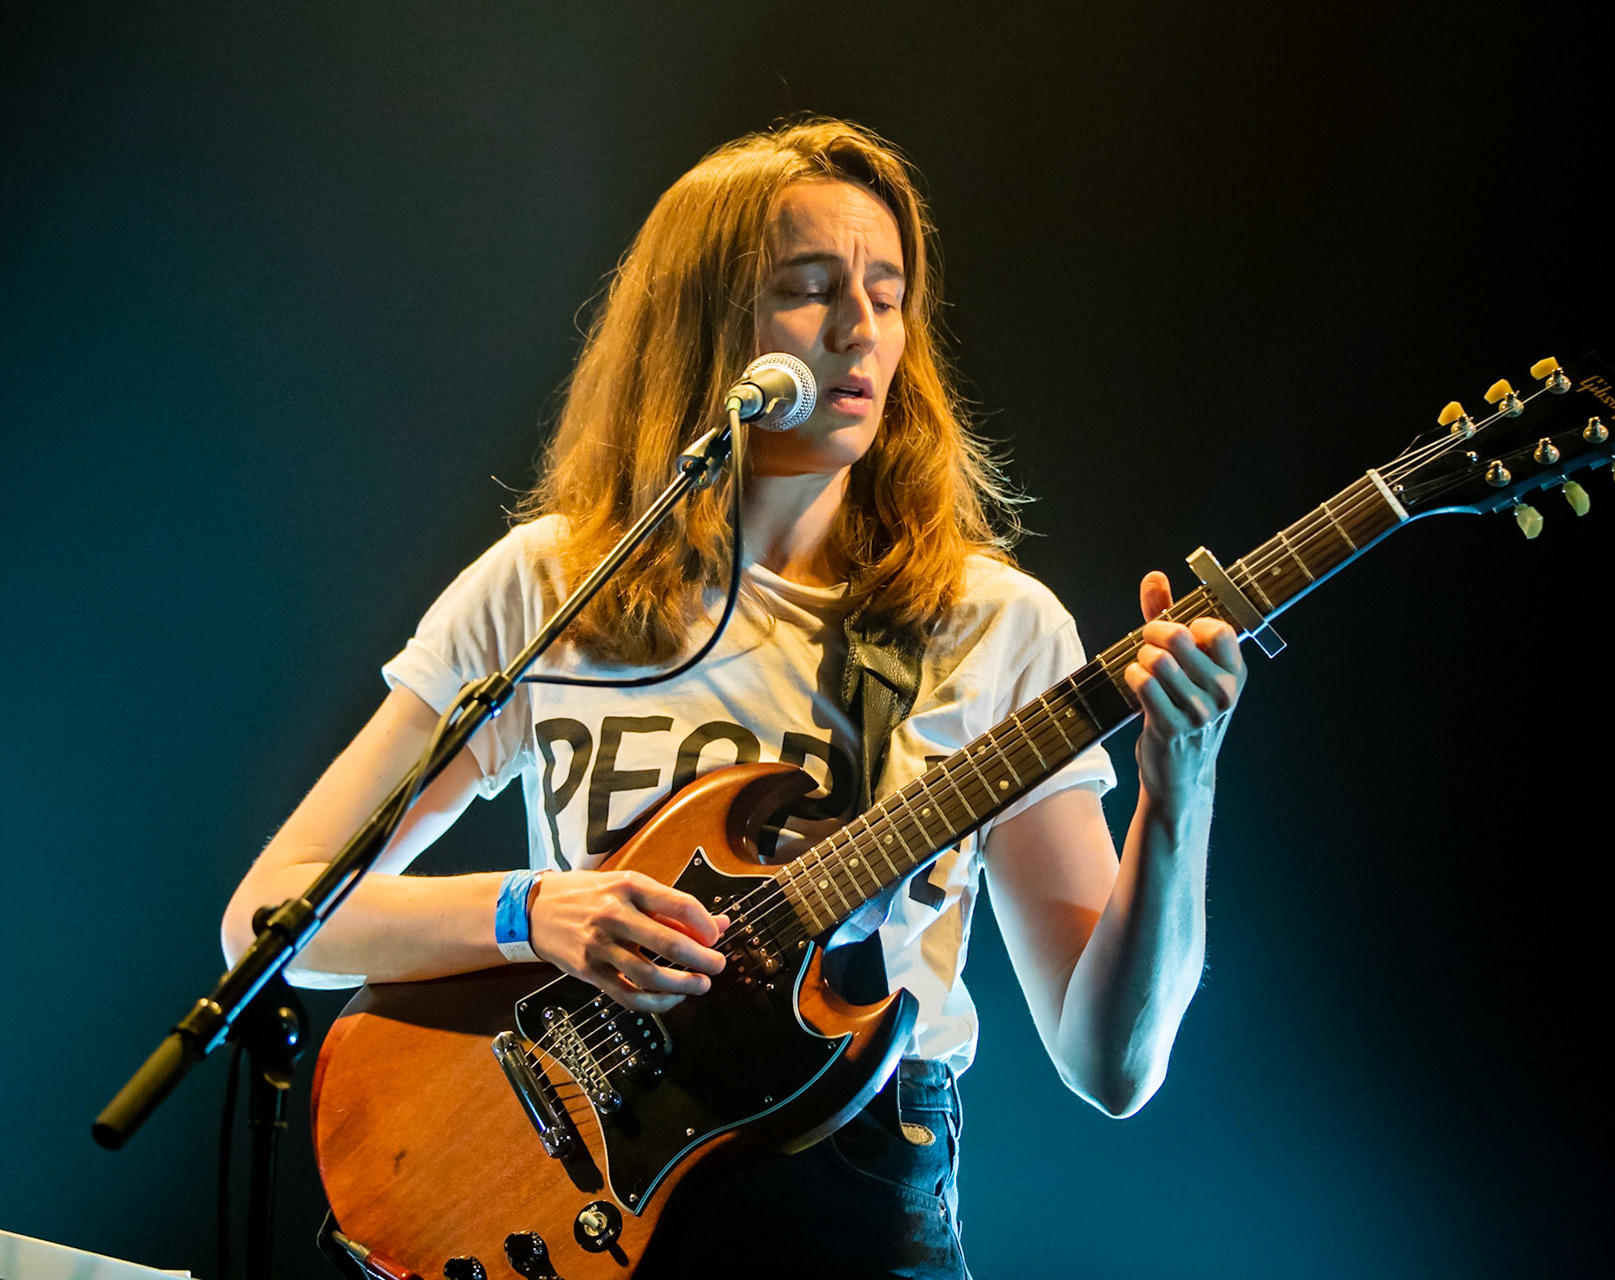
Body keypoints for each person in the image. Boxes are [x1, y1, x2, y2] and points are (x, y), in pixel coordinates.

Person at [222, 118, 1245, 1278]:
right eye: (808, 291)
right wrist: (532, 909)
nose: (860, 329)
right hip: (588, 1193)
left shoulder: (997, 623)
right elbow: (275, 916)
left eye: (887, 291)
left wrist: (1185, 781)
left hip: (854, 1206)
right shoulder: (550, 585)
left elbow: (1111, 1066)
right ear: (705, 328)